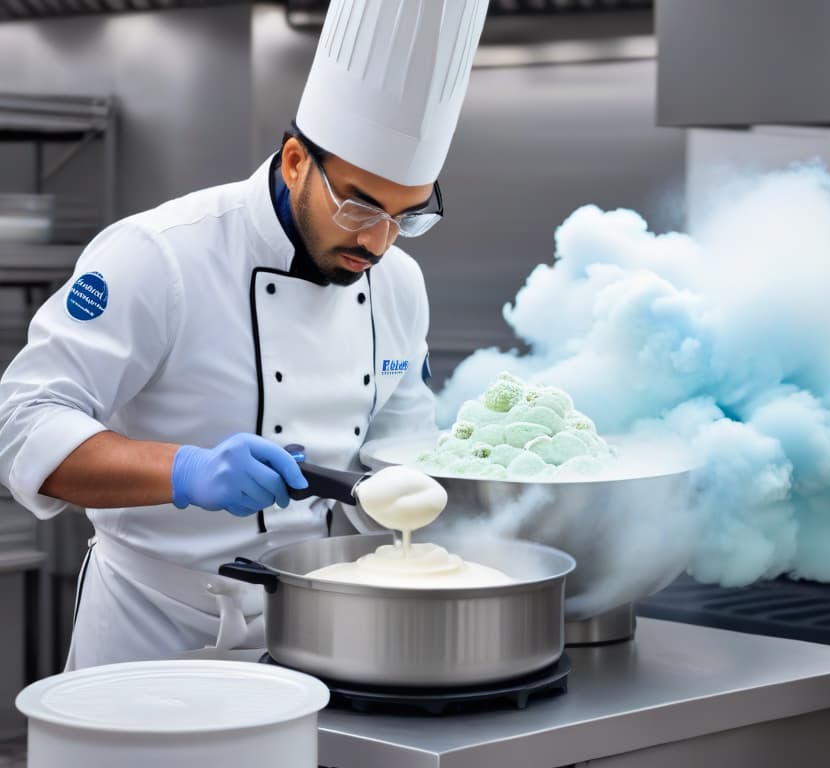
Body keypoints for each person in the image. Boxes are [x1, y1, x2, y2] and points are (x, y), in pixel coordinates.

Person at [0, 0, 490, 670]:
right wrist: (185, 472)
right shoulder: (161, 254)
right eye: (359, 205)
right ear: (294, 161)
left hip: (316, 630)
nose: (378, 242)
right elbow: (22, 424)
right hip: (153, 633)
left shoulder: (399, 284)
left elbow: (400, 448)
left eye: (408, 216)